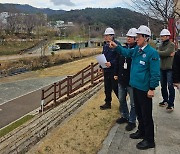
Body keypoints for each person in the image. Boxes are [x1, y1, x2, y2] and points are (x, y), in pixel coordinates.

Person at [109, 25, 160, 150]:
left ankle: (149, 140)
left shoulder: (152, 53)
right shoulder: (137, 50)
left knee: (146, 115)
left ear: (146, 38)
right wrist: (117, 47)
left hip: (145, 89)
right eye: (136, 36)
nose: (136, 38)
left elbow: (155, 73)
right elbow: (126, 52)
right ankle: (141, 131)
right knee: (139, 113)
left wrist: (152, 88)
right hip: (135, 86)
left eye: (138, 36)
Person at [114, 28, 137, 131]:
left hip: (131, 81)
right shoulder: (122, 49)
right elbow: (118, 62)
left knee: (133, 103)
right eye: (127, 36)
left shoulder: (137, 51)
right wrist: (116, 73)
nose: (128, 38)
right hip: (121, 79)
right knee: (121, 99)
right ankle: (124, 116)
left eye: (131, 37)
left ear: (136, 39)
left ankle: (132, 121)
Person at [99, 27, 119, 110]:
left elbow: (119, 58)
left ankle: (123, 103)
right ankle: (107, 103)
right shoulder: (105, 45)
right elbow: (103, 56)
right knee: (107, 88)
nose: (105, 37)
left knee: (116, 88)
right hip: (106, 70)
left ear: (112, 36)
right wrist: (101, 66)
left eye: (107, 35)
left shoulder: (117, 45)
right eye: (105, 36)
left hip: (114, 70)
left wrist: (111, 63)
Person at [158, 29, 175, 111]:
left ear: (167, 36)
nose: (161, 38)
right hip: (162, 68)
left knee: (170, 86)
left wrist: (163, 53)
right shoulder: (161, 45)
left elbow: (166, 53)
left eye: (162, 36)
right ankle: (165, 100)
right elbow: (161, 53)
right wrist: (164, 53)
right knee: (163, 86)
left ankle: (171, 103)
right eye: (161, 36)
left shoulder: (171, 45)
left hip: (169, 68)